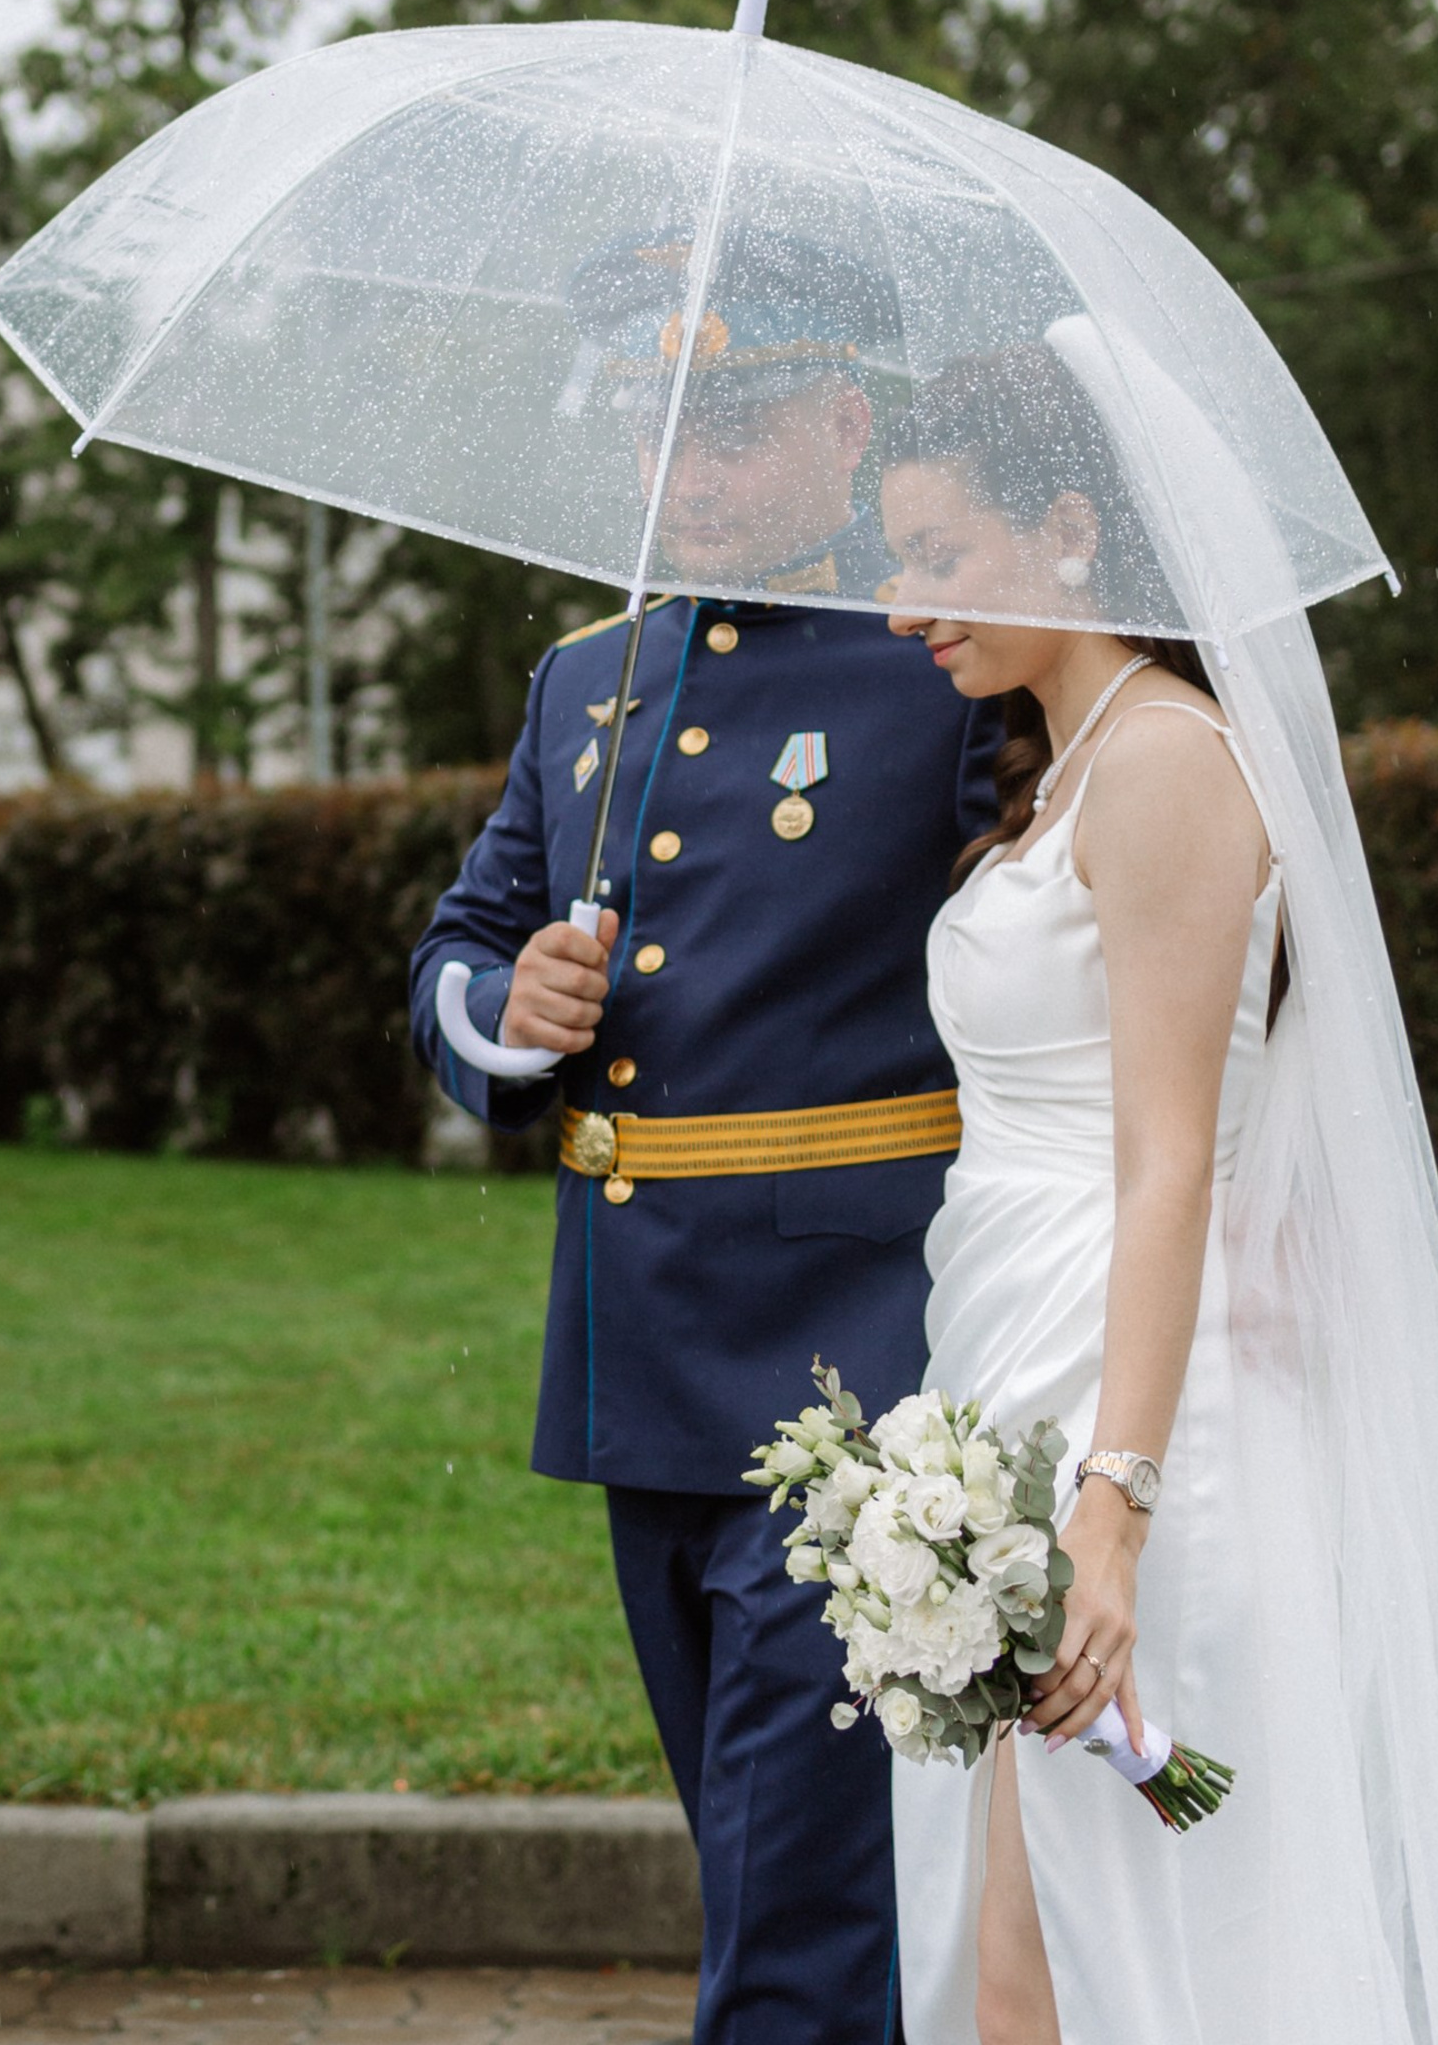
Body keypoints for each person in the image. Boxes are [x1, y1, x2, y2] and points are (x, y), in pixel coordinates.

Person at [873, 340, 1438, 2045]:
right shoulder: (1057, 765)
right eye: (893, 551)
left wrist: (1113, 1507)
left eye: (938, 551)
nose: (899, 600)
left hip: (1129, 1392)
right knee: (1031, 1949)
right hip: (1014, 1349)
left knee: (1126, 1944)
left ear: (1072, 529)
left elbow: (1171, 1160)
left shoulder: (1161, 766)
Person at [409, 227, 1000, 2045]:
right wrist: (502, 1016)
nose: (697, 465)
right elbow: (459, 940)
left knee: (799, 1890)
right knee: (757, 1840)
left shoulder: (941, 664)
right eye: (665, 423)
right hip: (636, 1350)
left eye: (737, 422)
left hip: (852, 1362)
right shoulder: (587, 681)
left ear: (841, 424)